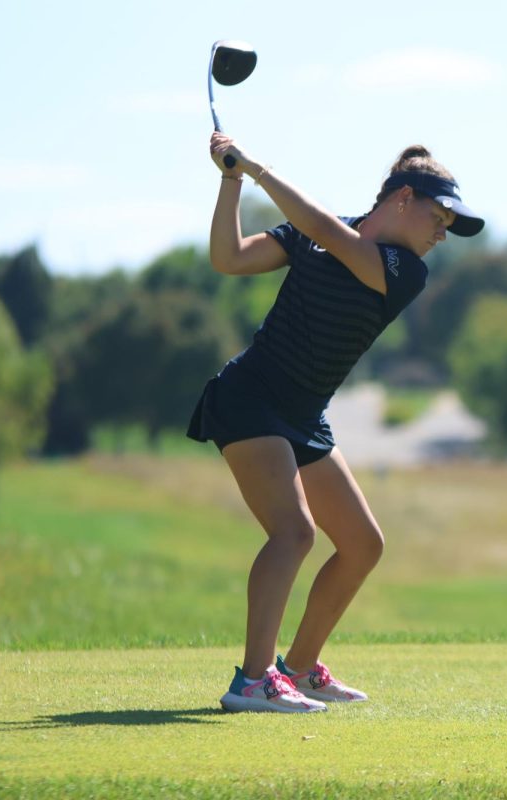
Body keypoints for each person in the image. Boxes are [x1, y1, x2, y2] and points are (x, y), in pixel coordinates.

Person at [189, 131, 484, 713]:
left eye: (449, 224)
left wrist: (257, 169)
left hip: (302, 413)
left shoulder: (405, 269)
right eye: (438, 216)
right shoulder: (319, 231)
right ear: (403, 197)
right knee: (294, 532)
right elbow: (230, 259)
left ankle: (296, 669)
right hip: (251, 397)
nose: (442, 232)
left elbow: (328, 232)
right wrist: (231, 180)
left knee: (361, 544)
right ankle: (251, 681)